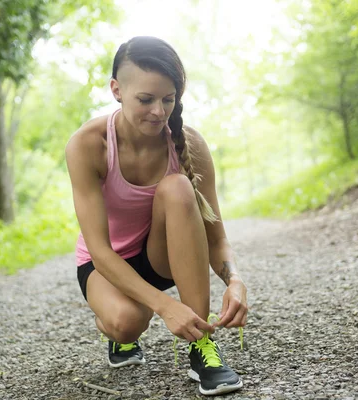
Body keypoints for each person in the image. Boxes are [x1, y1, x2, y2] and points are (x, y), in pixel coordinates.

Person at [65, 36, 248, 396]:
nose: (159, 112)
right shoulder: (88, 145)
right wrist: (166, 307)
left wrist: (235, 280)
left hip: (158, 256)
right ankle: (118, 332)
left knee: (178, 187)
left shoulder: (188, 143)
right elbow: (100, 252)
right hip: (106, 264)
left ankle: (202, 347)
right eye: (145, 100)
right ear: (116, 90)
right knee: (128, 322)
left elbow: (216, 237)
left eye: (168, 99)